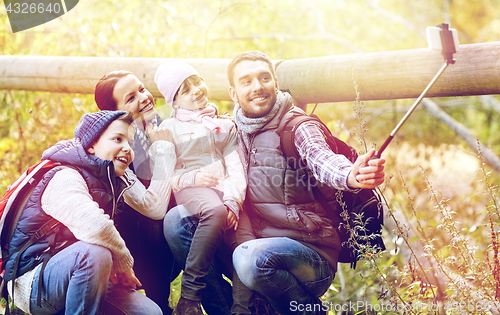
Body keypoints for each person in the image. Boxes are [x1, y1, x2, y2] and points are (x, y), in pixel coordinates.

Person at [227, 50, 386, 315]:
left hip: (310, 251)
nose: (258, 87)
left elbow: (321, 158)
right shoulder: (231, 130)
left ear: (275, 83)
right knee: (182, 225)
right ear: (233, 93)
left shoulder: (297, 126)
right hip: (253, 242)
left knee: (251, 259)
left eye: (264, 78)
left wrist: (352, 175)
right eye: (246, 81)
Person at [3, 110, 162, 315]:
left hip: (77, 277)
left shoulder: (108, 183)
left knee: (150, 313)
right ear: (91, 145)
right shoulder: (65, 176)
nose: (127, 148)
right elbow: (96, 227)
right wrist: (123, 263)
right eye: (117, 139)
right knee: (95, 253)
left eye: (130, 143)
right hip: (33, 283)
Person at [154, 60, 247, 315]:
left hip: (222, 192)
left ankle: (241, 308)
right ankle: (190, 296)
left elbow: (235, 167)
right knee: (214, 212)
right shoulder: (168, 129)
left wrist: (233, 201)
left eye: (197, 81)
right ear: (174, 103)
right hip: (191, 191)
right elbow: (163, 177)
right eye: (185, 90)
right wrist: (191, 178)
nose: (196, 90)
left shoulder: (224, 125)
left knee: (242, 240)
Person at [95, 70, 181, 315]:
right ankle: (159, 304)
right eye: (130, 98)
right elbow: (153, 208)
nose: (143, 98)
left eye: (142, 89)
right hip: (122, 249)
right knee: (153, 223)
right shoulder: (113, 148)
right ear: (115, 113)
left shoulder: (151, 126)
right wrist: (164, 148)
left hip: (152, 244)